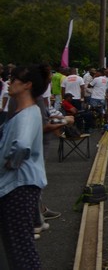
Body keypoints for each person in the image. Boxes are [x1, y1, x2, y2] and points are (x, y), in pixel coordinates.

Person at [0, 64, 49, 269]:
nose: (9, 83)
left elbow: (21, 144)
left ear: (27, 85)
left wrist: (11, 162)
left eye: (14, 79)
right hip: (15, 185)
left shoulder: (28, 114)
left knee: (20, 248)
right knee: (16, 246)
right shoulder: (23, 113)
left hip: (18, 186)